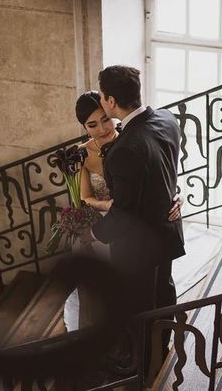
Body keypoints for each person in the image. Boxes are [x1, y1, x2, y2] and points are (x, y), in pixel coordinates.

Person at [90, 65, 185, 373]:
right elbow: (166, 167)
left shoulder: (125, 149)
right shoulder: (167, 119)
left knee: (139, 306)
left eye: (103, 98)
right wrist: (176, 193)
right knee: (163, 294)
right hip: (166, 233)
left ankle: (143, 366)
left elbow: (124, 212)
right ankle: (162, 346)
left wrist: (97, 233)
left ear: (111, 100)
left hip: (139, 248)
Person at [69, 91, 182, 331]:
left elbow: (159, 178)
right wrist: (107, 205)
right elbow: (84, 196)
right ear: (84, 126)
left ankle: (153, 339)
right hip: (106, 226)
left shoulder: (133, 141)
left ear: (112, 113)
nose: (102, 128)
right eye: (92, 124)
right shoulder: (81, 154)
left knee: (151, 292)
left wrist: (178, 197)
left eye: (105, 119)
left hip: (138, 232)